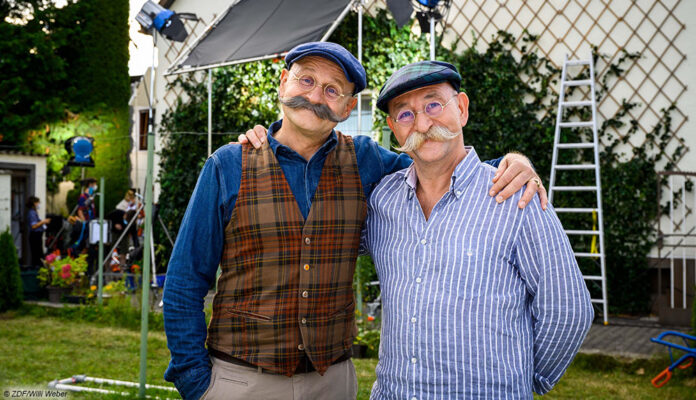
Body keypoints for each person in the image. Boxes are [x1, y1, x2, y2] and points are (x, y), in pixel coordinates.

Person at [163, 42, 544, 400]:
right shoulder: (228, 165)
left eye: (333, 90)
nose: (314, 96)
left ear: (347, 108)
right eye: (306, 80)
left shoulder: (366, 160)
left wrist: (514, 163)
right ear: (284, 83)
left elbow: (440, 164)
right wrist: (195, 380)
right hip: (241, 380)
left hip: (333, 382)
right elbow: (185, 280)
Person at [361, 60, 594, 399]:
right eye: (405, 114)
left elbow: (568, 309)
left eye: (433, 104)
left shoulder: (514, 195)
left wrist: (524, 380)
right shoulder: (384, 200)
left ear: (462, 108)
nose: (423, 123)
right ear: (392, 127)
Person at [26, 196, 50, 268]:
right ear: (34, 203)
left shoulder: (34, 212)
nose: (39, 204)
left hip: (38, 235)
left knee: (38, 252)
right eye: (38, 202)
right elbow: (33, 226)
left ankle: (38, 267)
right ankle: (37, 268)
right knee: (37, 253)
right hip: (35, 235)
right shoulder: (32, 213)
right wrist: (43, 222)